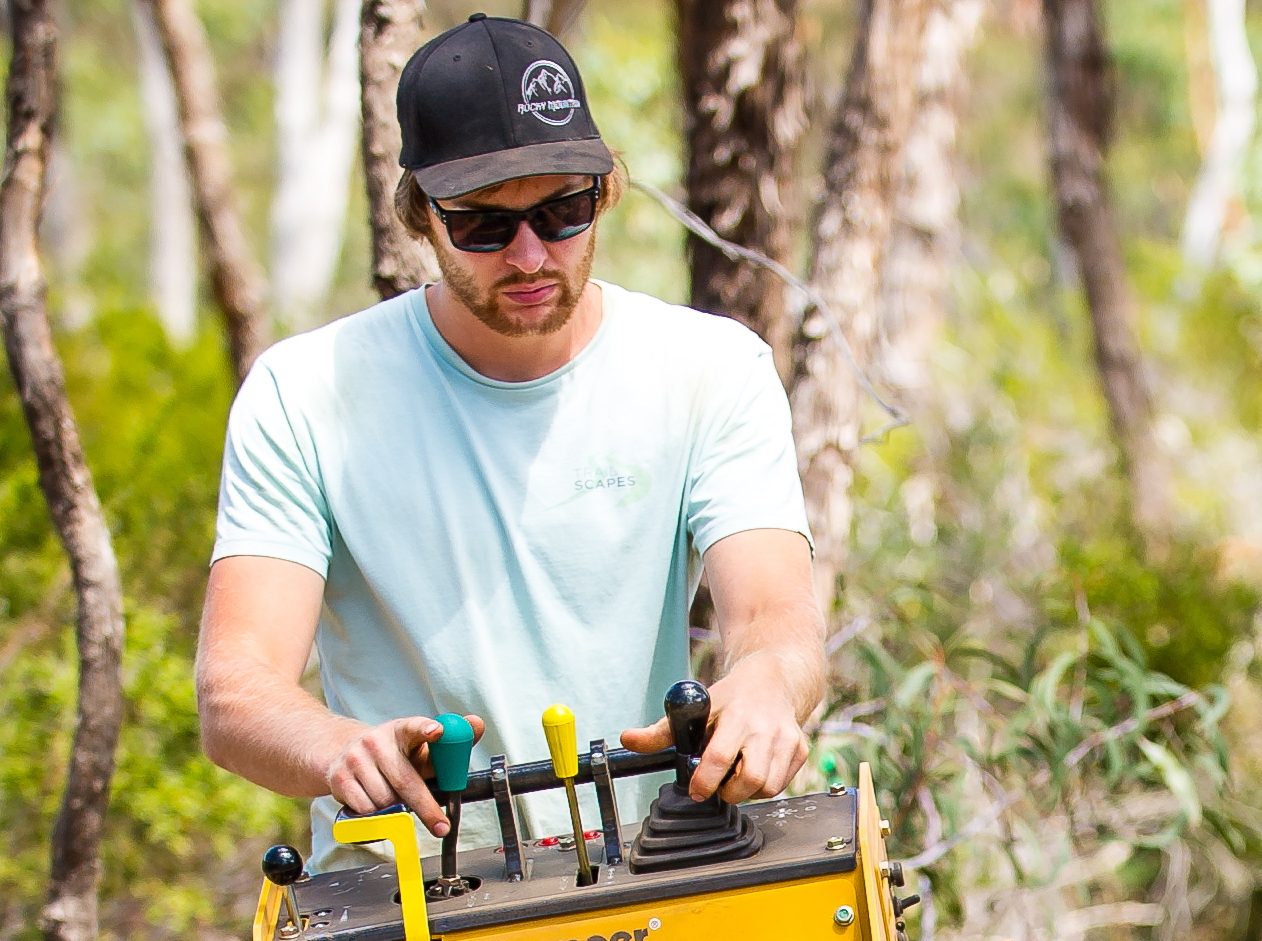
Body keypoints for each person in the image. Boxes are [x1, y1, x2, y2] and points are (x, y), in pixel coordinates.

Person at [195, 16, 818, 841]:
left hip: (656, 870)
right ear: (421, 215)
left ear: (607, 192)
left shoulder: (710, 369)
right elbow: (236, 688)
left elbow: (775, 615)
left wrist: (767, 683)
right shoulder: (305, 395)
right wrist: (339, 747)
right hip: (406, 901)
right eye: (484, 226)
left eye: (563, 212)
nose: (529, 257)